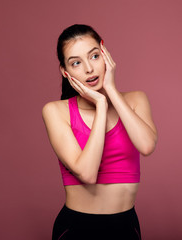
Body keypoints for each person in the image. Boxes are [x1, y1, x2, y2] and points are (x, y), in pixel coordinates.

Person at [42, 24, 157, 240]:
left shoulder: (135, 100)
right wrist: (101, 105)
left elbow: (147, 145)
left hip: (126, 226)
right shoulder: (56, 112)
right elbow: (87, 174)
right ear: (65, 72)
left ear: (105, 53)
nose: (89, 69)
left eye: (94, 56)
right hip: (77, 229)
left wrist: (111, 91)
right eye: (76, 62)